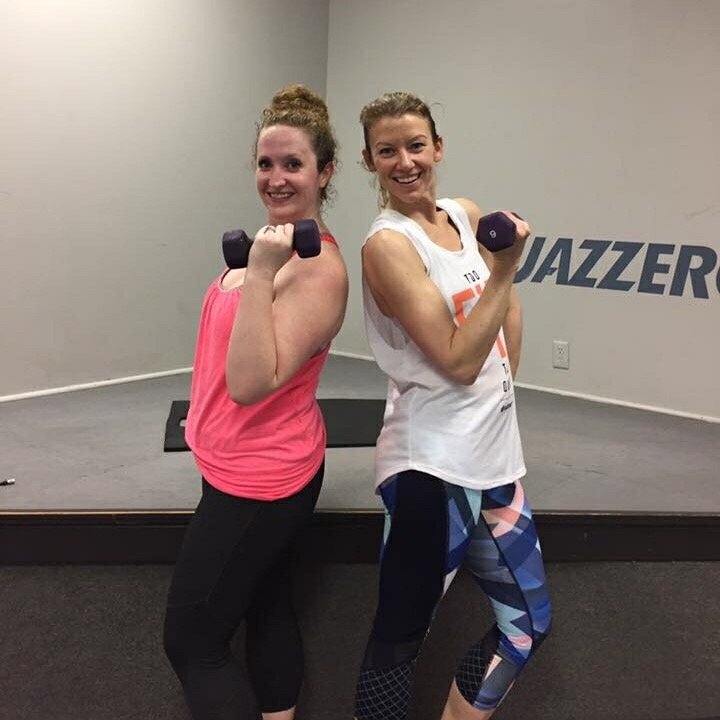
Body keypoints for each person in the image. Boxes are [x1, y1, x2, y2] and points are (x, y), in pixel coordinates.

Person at [353, 91, 552, 720]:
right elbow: (459, 360)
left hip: (496, 463)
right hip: (430, 469)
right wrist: (505, 270)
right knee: (398, 642)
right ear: (370, 161)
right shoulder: (388, 246)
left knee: (527, 626)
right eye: (387, 151)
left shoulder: (466, 216)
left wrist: (498, 396)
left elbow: (502, 321)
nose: (405, 162)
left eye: (416, 145)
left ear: (438, 147)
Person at [163, 84, 348, 720]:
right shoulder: (273, 243)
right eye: (266, 163)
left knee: (192, 644)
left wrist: (262, 272)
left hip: (260, 478)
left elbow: (248, 382)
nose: (276, 177)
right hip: (235, 460)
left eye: (293, 163)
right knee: (267, 603)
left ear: (325, 172)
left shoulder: (316, 269)